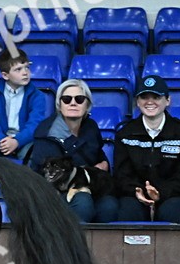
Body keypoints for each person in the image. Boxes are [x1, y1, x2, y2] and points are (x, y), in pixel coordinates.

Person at [27, 79, 118, 223]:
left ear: (87, 105)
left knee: (110, 206)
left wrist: (104, 164)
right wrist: (89, 169)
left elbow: (98, 155)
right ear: (59, 104)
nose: (73, 103)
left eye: (79, 99)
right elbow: (50, 174)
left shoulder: (91, 127)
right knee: (83, 202)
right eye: (67, 99)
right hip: (55, 191)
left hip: (87, 185)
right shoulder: (47, 132)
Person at [113, 75, 180, 223]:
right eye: (144, 97)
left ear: (168, 100)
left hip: (173, 196)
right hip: (135, 196)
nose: (150, 102)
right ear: (137, 102)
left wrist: (160, 193)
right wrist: (137, 192)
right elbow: (122, 175)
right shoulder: (124, 134)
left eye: (156, 97)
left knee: (171, 212)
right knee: (128, 211)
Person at [0, 49, 50, 161]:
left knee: (31, 154)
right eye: (18, 69)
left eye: (27, 67)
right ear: (5, 75)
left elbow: (35, 124)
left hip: (26, 140)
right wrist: (2, 141)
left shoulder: (37, 96)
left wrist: (17, 141)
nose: (25, 72)